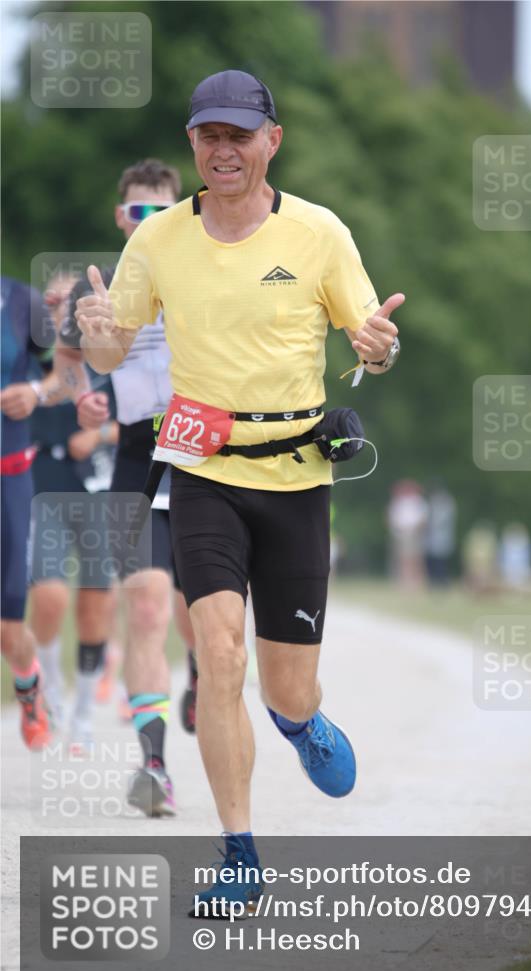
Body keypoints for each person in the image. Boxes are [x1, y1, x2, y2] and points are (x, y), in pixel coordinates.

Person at [75, 69, 404, 912]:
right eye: (208, 136)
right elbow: (113, 350)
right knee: (218, 656)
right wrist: (99, 335)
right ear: (193, 144)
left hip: (295, 477)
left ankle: (299, 722)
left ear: (272, 141)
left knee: (284, 686)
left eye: (239, 135)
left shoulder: (319, 233)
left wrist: (377, 349)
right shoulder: (158, 241)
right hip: (201, 470)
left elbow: (370, 342)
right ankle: (239, 854)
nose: (223, 150)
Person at [58, 159, 197, 815]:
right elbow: (68, 362)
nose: (150, 221)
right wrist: (82, 400)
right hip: (136, 461)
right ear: (122, 217)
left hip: (207, 458)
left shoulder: (205, 274)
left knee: (205, 620)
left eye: (162, 211)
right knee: (146, 610)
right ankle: (154, 766)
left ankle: (201, 674)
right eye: (139, 211)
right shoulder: (98, 290)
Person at [29, 270, 118, 749]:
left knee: (95, 602)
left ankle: (83, 712)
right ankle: (50, 687)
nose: (61, 306)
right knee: (50, 596)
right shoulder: (33, 356)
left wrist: (99, 434)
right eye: (53, 299)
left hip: (98, 484)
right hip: (44, 478)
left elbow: (141, 421)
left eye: (70, 298)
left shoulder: (110, 352)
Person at [0, 275, 58, 749]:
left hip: (9, 476)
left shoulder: (23, 303)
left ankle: (28, 682)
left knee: (7, 628)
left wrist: (36, 391)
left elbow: (68, 375)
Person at [387, 480, 429, 589]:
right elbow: (392, 518)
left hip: (415, 534)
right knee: (403, 559)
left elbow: (423, 519)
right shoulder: (398, 501)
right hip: (401, 534)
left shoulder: (418, 501)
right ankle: (405, 582)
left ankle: (418, 582)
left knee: (416, 559)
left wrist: (415, 530)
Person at [425, 484, 457, 586]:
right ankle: (435, 579)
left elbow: (440, 520)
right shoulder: (435, 502)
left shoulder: (445, 502)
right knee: (434, 559)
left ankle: (442, 580)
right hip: (434, 537)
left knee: (441, 560)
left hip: (441, 536)